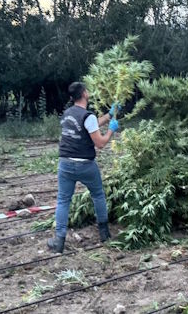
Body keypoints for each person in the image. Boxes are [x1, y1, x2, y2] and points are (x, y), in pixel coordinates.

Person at [47, 82, 120, 253]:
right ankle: (104, 233)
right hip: (85, 165)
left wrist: (109, 115)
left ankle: (59, 242)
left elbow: (89, 125)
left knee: (63, 200)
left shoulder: (67, 114)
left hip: (65, 165)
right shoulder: (88, 116)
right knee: (98, 195)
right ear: (85, 94)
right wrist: (111, 130)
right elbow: (100, 143)